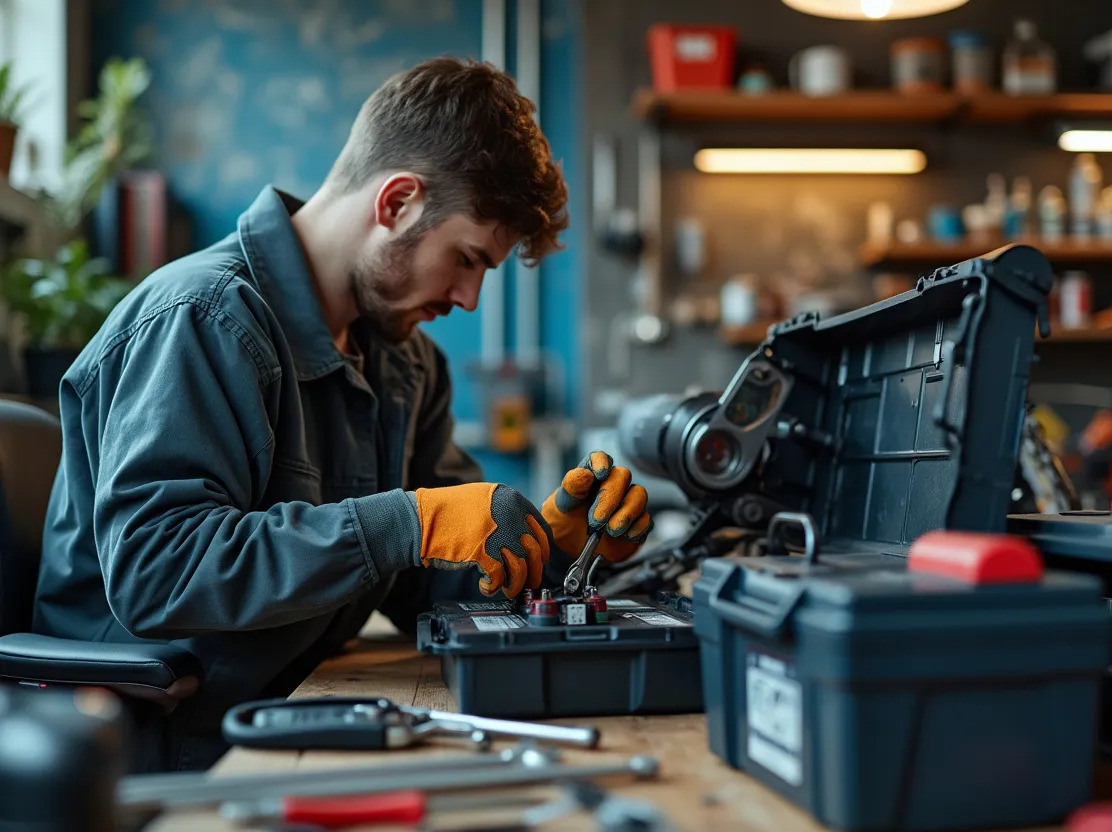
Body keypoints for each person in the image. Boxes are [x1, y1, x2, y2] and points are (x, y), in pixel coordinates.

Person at [30, 57, 653, 771]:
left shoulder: (407, 363)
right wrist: (406, 521)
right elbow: (157, 571)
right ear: (397, 203)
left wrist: (552, 551)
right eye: (468, 259)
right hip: (159, 744)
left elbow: (430, 579)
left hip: (300, 705)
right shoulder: (203, 320)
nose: (470, 298)